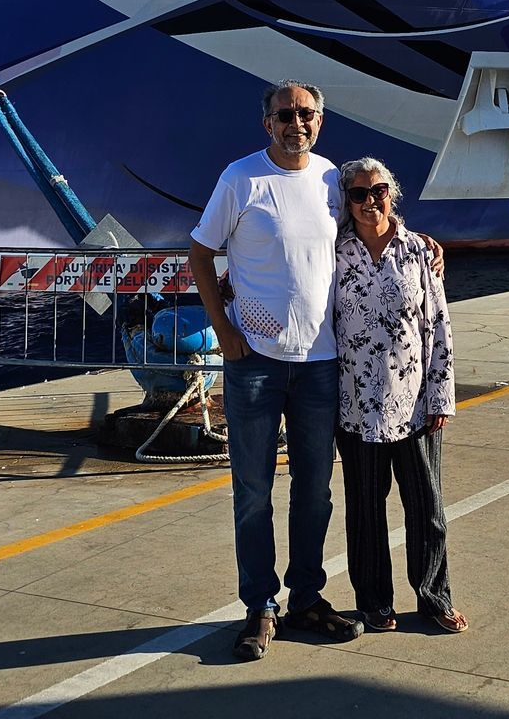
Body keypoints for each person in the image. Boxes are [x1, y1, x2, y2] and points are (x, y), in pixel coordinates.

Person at [188, 81, 363, 660]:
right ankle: (260, 606)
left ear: (321, 119)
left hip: (320, 363)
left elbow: (370, 231)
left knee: (314, 491)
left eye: (306, 113)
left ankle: (307, 598)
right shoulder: (240, 178)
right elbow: (200, 253)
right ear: (267, 123)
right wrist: (224, 331)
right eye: (285, 114)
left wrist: (424, 245)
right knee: (254, 492)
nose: (296, 123)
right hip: (256, 364)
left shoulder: (332, 179)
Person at [332, 157, 465, 635]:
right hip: (355, 407)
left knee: (426, 509)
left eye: (379, 190)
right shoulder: (335, 252)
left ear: (393, 193)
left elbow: (439, 327)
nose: (371, 202)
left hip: (413, 406)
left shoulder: (418, 252)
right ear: (347, 202)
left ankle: (434, 598)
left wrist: (441, 397)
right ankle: (373, 603)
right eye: (359, 194)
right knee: (365, 511)